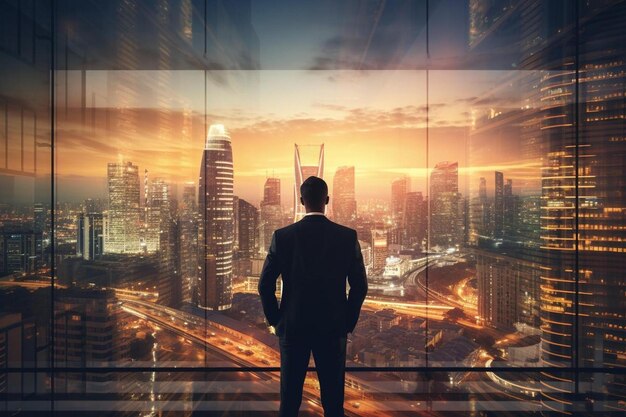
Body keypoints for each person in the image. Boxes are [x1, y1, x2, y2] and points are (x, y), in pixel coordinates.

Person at [258, 175, 368, 417]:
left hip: (293, 327)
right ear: (327, 200)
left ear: (301, 200)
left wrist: (277, 321)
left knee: (289, 402)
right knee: (333, 403)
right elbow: (359, 286)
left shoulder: (283, 237)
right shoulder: (347, 237)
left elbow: (265, 284)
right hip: (332, 329)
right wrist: (346, 322)